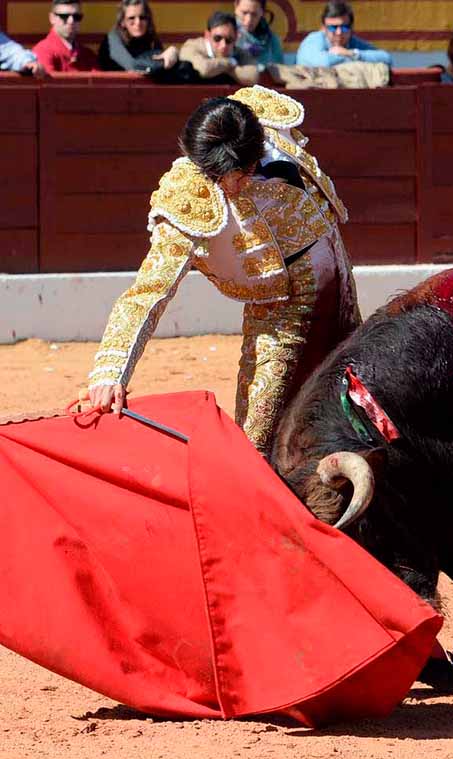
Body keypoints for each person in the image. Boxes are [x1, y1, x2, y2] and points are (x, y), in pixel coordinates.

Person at [86, 88, 359, 455]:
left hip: (334, 263)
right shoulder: (189, 195)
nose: (237, 181)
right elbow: (147, 292)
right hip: (285, 298)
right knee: (260, 432)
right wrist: (110, 372)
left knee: (352, 384)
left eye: (241, 171)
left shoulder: (259, 120)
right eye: (226, 175)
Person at [296, 1, 391, 68]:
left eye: (344, 27)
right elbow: (324, 63)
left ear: (351, 27)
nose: (339, 32)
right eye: (333, 27)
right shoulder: (313, 40)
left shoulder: (353, 42)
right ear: (323, 28)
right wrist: (350, 58)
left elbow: (386, 59)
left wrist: (351, 53)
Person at [98, 0, 179, 74]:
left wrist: (173, 52)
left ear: (148, 20)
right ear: (122, 22)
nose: (138, 22)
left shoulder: (151, 39)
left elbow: (162, 65)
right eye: (131, 18)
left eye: (142, 17)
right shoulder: (113, 38)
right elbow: (132, 66)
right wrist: (162, 62)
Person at [180, 11, 259, 85]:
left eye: (229, 39)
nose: (223, 45)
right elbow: (204, 69)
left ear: (235, 38)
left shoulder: (240, 52)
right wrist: (229, 62)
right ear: (207, 35)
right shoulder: (192, 46)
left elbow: (253, 76)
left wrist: (220, 67)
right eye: (217, 38)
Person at [33, 0, 97, 73]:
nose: (71, 21)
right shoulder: (42, 51)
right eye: (64, 16)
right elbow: (47, 84)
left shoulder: (88, 54)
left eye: (76, 17)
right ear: (52, 18)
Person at [235, 0, 283, 68]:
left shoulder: (272, 40)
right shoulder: (224, 37)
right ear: (236, 8)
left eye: (254, 14)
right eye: (244, 13)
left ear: (262, 13)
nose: (248, 19)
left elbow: (281, 69)